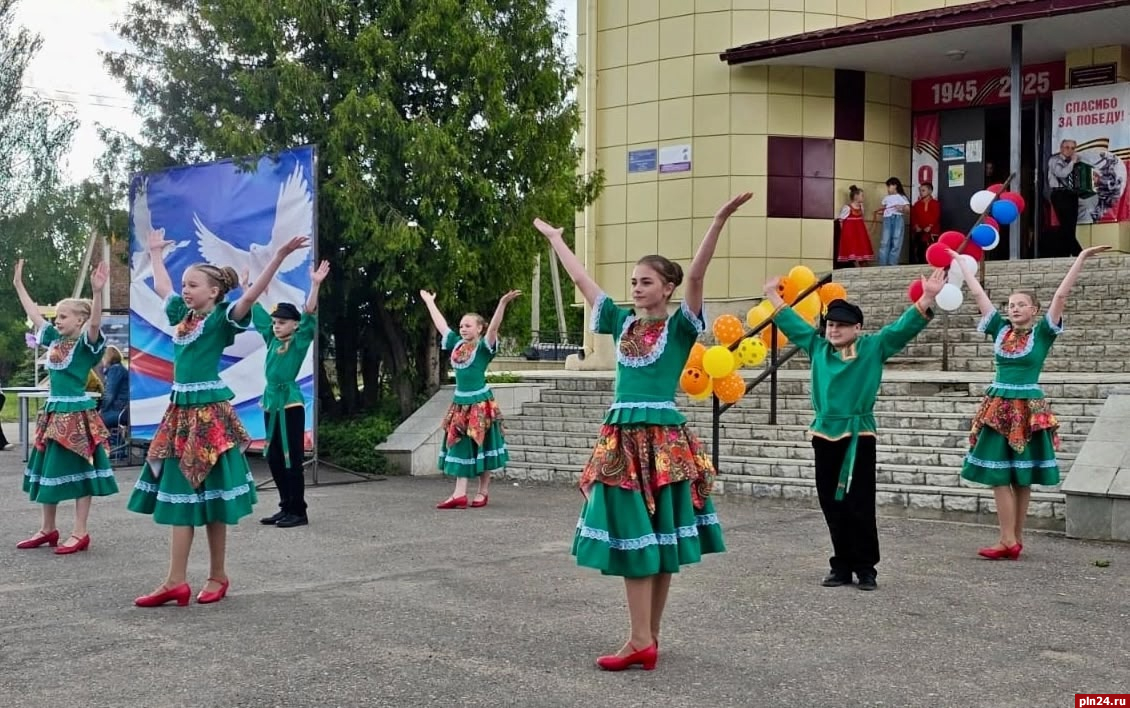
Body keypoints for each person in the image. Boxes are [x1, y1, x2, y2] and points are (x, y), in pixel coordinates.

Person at [537, 192, 749, 672]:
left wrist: (717, 220)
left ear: (667, 288)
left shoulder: (681, 328)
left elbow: (697, 276)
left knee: (658, 537)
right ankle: (645, 639)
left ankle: (642, 639)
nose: (636, 288)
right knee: (640, 533)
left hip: (662, 440)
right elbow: (582, 281)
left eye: (646, 281)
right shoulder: (620, 322)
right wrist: (556, 240)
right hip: (623, 438)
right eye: (633, 281)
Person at [128, 228, 309, 607]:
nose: (185, 290)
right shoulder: (182, 315)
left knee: (212, 498)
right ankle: (175, 581)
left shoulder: (222, 319)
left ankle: (217, 575)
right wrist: (156, 253)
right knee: (180, 494)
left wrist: (277, 257)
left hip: (209, 416)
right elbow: (162, 287)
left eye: (193, 285)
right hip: (180, 414)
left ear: (213, 292)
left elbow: (251, 297)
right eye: (185, 284)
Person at [763, 269, 945, 590]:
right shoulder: (817, 347)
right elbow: (791, 323)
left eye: (842, 325)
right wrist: (772, 295)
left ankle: (865, 567)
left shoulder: (873, 347)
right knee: (831, 503)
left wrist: (928, 296)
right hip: (824, 434)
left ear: (857, 328)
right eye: (831, 324)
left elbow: (903, 328)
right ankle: (841, 565)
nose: (834, 330)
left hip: (858, 435)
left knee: (859, 502)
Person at [948, 245, 1109, 559]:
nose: (1014, 309)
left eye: (1021, 304)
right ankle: (1010, 539)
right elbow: (978, 294)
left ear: (1034, 309)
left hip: (1027, 407)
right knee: (1000, 474)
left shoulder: (1044, 333)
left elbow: (1060, 296)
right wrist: (960, 263)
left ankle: (1011, 539)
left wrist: (1080, 258)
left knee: (1020, 477)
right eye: (1011, 305)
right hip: (998, 406)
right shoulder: (999, 329)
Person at [14, 259, 119, 554]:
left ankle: (80, 531)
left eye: (63, 316)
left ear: (79, 321)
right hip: (53, 413)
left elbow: (95, 324)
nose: (57, 321)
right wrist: (19, 285)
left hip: (76, 414)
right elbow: (35, 316)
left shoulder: (87, 345)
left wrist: (97, 293)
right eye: (57, 316)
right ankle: (47, 528)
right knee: (48, 469)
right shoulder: (53, 339)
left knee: (81, 470)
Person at [245, 260, 330, 529]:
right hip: (271, 401)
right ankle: (285, 507)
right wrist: (246, 288)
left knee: (291, 457)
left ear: (294, 325)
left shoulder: (298, 340)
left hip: (290, 403)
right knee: (273, 457)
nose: (276, 326)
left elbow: (310, 313)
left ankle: (298, 510)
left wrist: (315, 285)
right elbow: (256, 311)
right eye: (275, 322)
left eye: (282, 322)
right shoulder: (272, 339)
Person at [420, 288, 521, 509]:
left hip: (480, 403)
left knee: (483, 445)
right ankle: (459, 493)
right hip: (460, 403)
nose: (463, 329)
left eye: (468, 325)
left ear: (479, 328)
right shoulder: (456, 344)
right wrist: (429, 302)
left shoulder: (484, 347)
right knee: (460, 444)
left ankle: (483, 492)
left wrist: (502, 304)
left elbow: (494, 328)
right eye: (461, 326)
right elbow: (441, 325)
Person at [1047, 139, 1084, 257]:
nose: (1070, 150)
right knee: (1066, 225)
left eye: (1073, 148)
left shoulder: (1074, 162)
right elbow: (1061, 173)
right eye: (1067, 147)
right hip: (1060, 194)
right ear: (1061, 148)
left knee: (1070, 226)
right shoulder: (1055, 160)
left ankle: (1063, 254)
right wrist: (1072, 162)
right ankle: (1079, 253)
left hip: (1072, 195)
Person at [874, 177, 910, 266]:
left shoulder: (902, 197)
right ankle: (882, 264)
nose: (888, 189)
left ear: (895, 186)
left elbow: (908, 210)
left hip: (898, 218)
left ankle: (892, 264)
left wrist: (901, 208)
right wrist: (879, 212)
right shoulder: (886, 198)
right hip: (887, 219)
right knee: (885, 241)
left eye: (889, 186)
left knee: (896, 241)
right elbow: (884, 208)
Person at [836, 185, 874, 267]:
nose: (863, 197)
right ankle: (856, 265)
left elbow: (862, 217)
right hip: (851, 233)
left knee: (861, 247)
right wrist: (844, 233)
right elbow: (841, 220)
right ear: (856, 196)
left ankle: (863, 264)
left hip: (860, 232)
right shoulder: (847, 208)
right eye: (862, 195)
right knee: (853, 248)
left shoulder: (861, 207)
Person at [910, 182, 941, 265]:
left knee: (931, 251)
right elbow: (914, 217)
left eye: (923, 190)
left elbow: (936, 215)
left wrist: (930, 226)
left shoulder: (935, 203)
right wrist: (916, 226)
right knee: (920, 252)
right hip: (920, 232)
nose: (921, 192)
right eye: (920, 190)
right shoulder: (917, 204)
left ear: (930, 191)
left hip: (932, 232)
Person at [99, 346, 129, 429]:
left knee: (94, 421)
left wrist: (102, 410)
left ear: (107, 357)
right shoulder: (120, 368)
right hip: (123, 409)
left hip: (119, 411)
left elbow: (109, 394)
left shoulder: (115, 370)